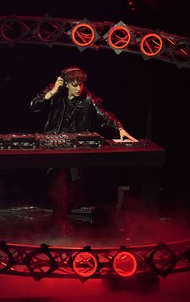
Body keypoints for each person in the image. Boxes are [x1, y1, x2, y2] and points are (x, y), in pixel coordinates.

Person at [30, 66, 138, 233]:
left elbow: (103, 114)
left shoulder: (88, 98)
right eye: (74, 85)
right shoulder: (55, 92)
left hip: (76, 149)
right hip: (54, 146)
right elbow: (34, 105)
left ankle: (62, 220)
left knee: (73, 187)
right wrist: (52, 92)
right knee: (59, 185)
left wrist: (120, 129)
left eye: (80, 84)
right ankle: (59, 224)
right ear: (65, 84)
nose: (79, 88)